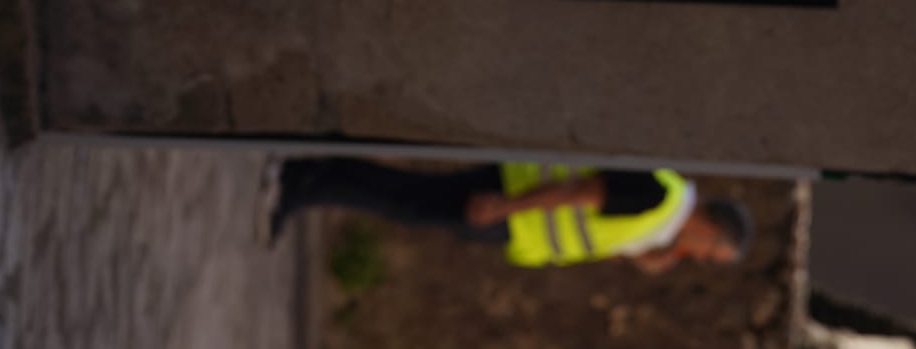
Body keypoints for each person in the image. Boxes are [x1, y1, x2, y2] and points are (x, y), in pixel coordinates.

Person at [259, 157, 753, 272]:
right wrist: (506, 205)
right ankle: (303, 181)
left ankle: (308, 181)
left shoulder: (663, 221)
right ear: (711, 230)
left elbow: (600, 233)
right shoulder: (660, 196)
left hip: (516, 222)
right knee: (407, 200)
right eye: (710, 252)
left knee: (409, 202)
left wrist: (647, 256)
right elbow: (580, 193)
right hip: (512, 201)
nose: (700, 258)